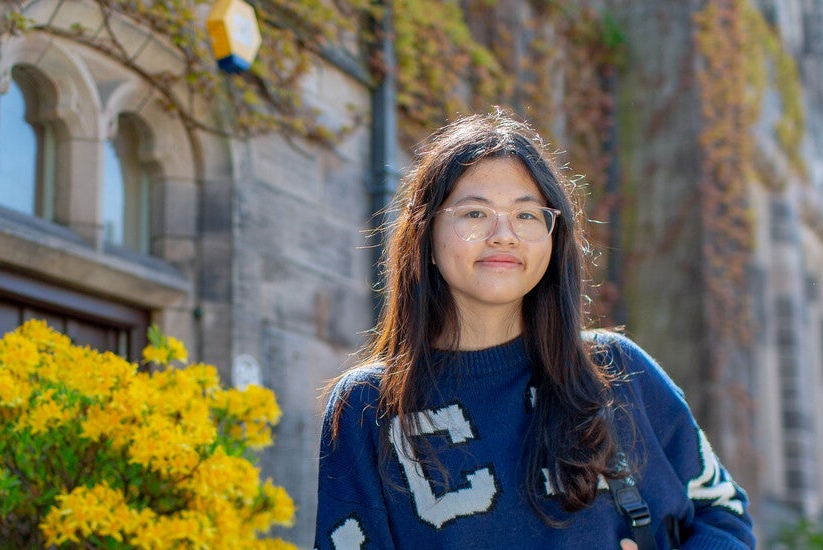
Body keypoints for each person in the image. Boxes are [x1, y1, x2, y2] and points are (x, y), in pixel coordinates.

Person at [314, 110, 754, 549]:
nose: (504, 235)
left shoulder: (617, 373)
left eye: (527, 216)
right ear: (427, 236)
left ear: (551, 239)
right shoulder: (368, 408)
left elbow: (724, 516)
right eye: (474, 214)